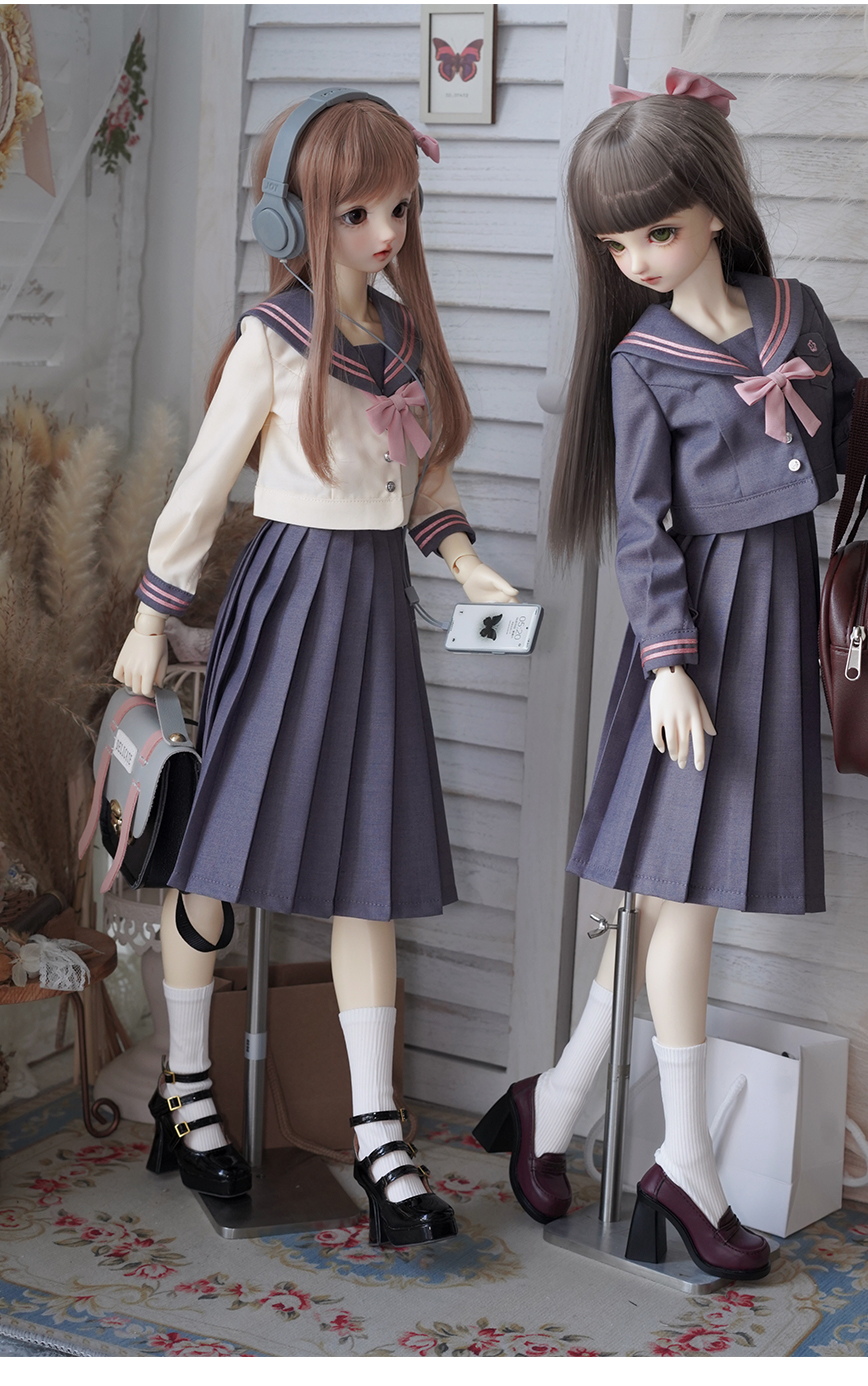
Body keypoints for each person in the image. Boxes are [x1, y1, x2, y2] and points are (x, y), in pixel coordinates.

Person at [474, 70, 868, 1280]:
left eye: (655, 231)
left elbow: (848, 438)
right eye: (617, 244)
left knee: (663, 891)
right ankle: (684, 1159)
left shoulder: (792, 311)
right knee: (675, 893)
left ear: (711, 208)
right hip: (692, 637)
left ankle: (559, 1098)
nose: (637, 259)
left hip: (774, 616)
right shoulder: (639, 360)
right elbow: (642, 529)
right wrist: (665, 666)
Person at [114, 91, 517, 1248]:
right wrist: (152, 614)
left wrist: (465, 560)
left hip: (376, 610)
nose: (385, 232)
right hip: (290, 599)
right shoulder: (271, 338)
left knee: (369, 872)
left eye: (400, 208)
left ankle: (379, 1139)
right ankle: (188, 1094)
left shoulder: (401, 336)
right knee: (217, 855)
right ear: (293, 216)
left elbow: (424, 475)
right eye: (357, 212)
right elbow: (201, 487)